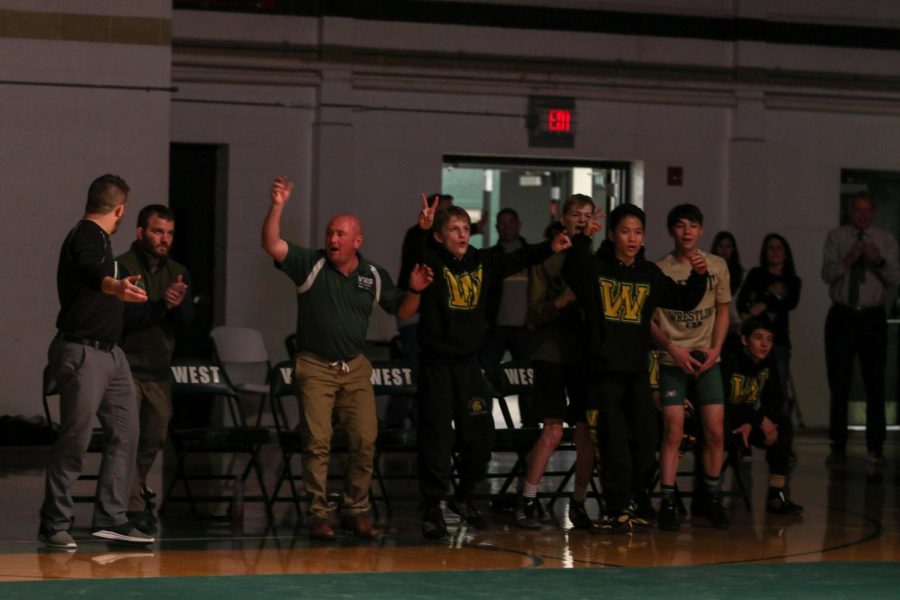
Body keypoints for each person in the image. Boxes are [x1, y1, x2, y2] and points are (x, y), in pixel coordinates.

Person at [262, 176, 433, 540]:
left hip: (355, 367)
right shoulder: (310, 264)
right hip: (315, 366)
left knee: (365, 439)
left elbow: (402, 311)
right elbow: (272, 244)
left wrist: (416, 291)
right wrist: (278, 204)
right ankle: (318, 514)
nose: (332, 239)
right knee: (318, 442)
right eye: (329, 233)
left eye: (340, 234)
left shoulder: (373, 276)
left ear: (358, 241)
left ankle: (355, 509)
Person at [411, 196, 571, 540]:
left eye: (466, 228)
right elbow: (415, 253)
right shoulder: (432, 261)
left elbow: (518, 258)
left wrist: (551, 246)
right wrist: (421, 229)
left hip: (469, 364)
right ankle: (432, 508)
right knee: (437, 439)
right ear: (440, 236)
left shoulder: (482, 261)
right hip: (437, 365)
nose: (461, 234)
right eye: (453, 229)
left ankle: (465, 495)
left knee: (479, 435)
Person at [563, 203, 709, 534]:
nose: (632, 238)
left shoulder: (648, 274)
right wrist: (584, 238)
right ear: (613, 234)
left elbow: (682, 299)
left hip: (636, 372)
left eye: (638, 232)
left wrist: (700, 277)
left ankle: (632, 498)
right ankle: (616, 510)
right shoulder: (596, 268)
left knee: (645, 442)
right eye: (626, 231)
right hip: (602, 373)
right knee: (613, 442)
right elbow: (572, 270)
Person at [40, 174, 155, 549]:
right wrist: (116, 286)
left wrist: (136, 299)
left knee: (126, 431)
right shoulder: (87, 235)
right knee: (76, 437)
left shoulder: (104, 243)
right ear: (120, 209)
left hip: (111, 353)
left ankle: (112, 518)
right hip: (83, 351)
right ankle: (55, 521)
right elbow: (91, 272)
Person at [514, 195, 596, 530]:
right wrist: (561, 302)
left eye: (587, 216)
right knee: (552, 429)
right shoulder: (546, 256)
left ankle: (578, 503)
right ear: (563, 218)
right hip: (550, 350)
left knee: (585, 433)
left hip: (583, 352)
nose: (581, 220)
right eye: (575, 215)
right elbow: (533, 315)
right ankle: (527, 501)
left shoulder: (592, 257)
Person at [652, 204, 731, 531]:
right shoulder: (659, 269)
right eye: (680, 226)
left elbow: (724, 310)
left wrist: (715, 350)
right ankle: (668, 500)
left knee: (714, 430)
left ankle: (711, 497)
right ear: (672, 230)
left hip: (707, 359)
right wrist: (671, 347)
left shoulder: (717, 265)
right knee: (674, 429)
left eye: (693, 226)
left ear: (701, 230)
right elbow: (649, 320)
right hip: (673, 359)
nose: (687, 232)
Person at [117, 204, 193, 533]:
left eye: (170, 233)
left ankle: (133, 495)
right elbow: (125, 320)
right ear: (140, 232)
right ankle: (130, 506)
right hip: (127, 368)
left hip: (160, 369)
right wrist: (163, 304)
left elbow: (189, 322)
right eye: (158, 231)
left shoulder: (178, 270)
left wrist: (175, 305)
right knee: (127, 438)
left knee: (153, 439)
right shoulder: (122, 266)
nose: (164, 239)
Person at [822, 193, 900, 466]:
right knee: (839, 383)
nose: (863, 215)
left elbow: (896, 278)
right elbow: (826, 275)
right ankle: (838, 446)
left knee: (875, 383)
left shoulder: (885, 239)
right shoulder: (837, 237)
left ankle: (875, 446)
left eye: (867, 210)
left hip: (871, 316)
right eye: (858, 210)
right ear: (851, 211)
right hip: (842, 315)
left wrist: (878, 261)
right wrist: (848, 260)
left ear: (873, 212)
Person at [722, 317, 804, 515]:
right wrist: (757, 420)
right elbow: (724, 402)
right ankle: (707, 496)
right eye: (758, 337)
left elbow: (776, 399)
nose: (765, 344)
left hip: (747, 420)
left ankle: (776, 494)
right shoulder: (728, 358)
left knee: (783, 424)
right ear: (744, 340)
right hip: (724, 418)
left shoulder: (769, 360)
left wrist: (755, 422)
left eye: (769, 338)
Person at [387, 193, 455, 428]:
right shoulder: (420, 235)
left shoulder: (442, 240)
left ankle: (420, 421)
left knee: (428, 370)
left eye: (449, 210)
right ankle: (395, 424)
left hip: (432, 316)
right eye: (442, 210)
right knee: (412, 368)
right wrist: (423, 227)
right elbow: (418, 254)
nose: (445, 215)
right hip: (414, 314)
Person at [736, 233, 801, 455]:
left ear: (786, 252)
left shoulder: (792, 280)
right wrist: (767, 299)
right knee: (746, 389)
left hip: (779, 342)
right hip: (752, 341)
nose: (775, 252)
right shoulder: (756, 274)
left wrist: (763, 302)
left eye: (779, 248)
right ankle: (746, 435)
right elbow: (742, 300)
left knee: (778, 393)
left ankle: (782, 442)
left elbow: (790, 303)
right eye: (770, 248)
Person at [481, 208, 534, 426]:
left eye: (511, 222)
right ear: (496, 228)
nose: (507, 227)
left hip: (525, 328)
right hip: (495, 329)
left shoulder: (531, 255)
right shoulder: (490, 256)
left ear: (519, 224)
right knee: (486, 377)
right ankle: (484, 423)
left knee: (527, 380)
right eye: (502, 223)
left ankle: (529, 426)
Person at [711, 231, 744, 353]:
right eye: (721, 246)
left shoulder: (742, 274)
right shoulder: (709, 272)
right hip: (714, 326)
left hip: (736, 326)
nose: (724, 250)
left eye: (728, 246)